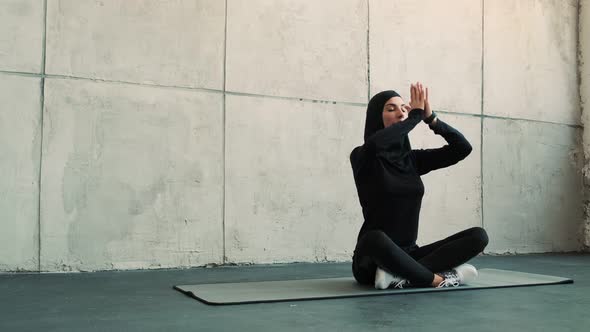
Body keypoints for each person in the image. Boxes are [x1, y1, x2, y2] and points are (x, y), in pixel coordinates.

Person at [349, 82, 489, 289]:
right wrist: (415, 115)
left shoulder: (411, 160)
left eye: (404, 108)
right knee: (374, 238)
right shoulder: (362, 155)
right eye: (391, 108)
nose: (401, 113)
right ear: (375, 118)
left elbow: (462, 148)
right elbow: (377, 144)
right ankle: (437, 279)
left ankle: (399, 276)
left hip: (410, 254)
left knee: (478, 236)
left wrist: (431, 119)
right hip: (372, 260)